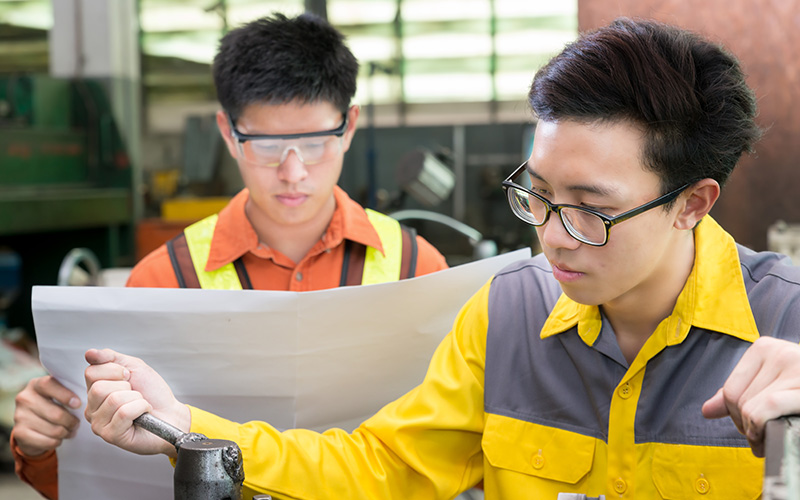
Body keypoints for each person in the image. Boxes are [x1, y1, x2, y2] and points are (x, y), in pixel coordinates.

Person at [84, 17, 800, 499]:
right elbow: (381, 466)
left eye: (590, 208)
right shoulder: (509, 312)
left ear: (692, 203)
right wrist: (184, 424)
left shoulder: (787, 322)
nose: (550, 233)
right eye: (539, 194)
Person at [11, 12, 447, 500]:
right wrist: (43, 445)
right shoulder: (163, 280)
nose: (293, 172)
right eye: (265, 145)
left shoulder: (418, 269)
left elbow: (447, 451)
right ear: (227, 131)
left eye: (314, 142)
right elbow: (111, 475)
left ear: (349, 127)